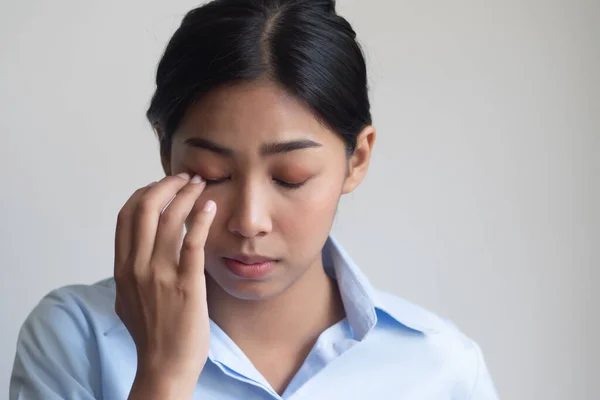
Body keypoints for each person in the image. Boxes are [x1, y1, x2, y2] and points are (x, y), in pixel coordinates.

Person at [9, 0, 498, 398]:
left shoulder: (442, 369)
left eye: (290, 177)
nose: (249, 221)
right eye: (211, 174)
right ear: (166, 154)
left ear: (358, 159)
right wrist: (163, 376)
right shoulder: (74, 338)